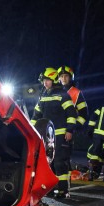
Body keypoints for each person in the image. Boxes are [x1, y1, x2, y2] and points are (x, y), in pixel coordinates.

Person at [31, 67, 77, 198]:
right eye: (44, 81)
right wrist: (30, 130)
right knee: (47, 163)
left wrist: (69, 130)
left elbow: (71, 115)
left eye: (48, 80)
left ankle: (64, 190)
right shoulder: (43, 96)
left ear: (54, 80)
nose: (45, 83)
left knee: (59, 162)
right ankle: (49, 189)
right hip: (47, 137)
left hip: (61, 135)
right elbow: (36, 115)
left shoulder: (63, 95)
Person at [58, 65, 88, 129]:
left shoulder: (76, 92)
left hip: (70, 131)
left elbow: (84, 113)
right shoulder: (55, 92)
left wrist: (75, 126)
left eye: (66, 76)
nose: (64, 78)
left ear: (70, 77)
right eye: (61, 76)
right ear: (59, 78)